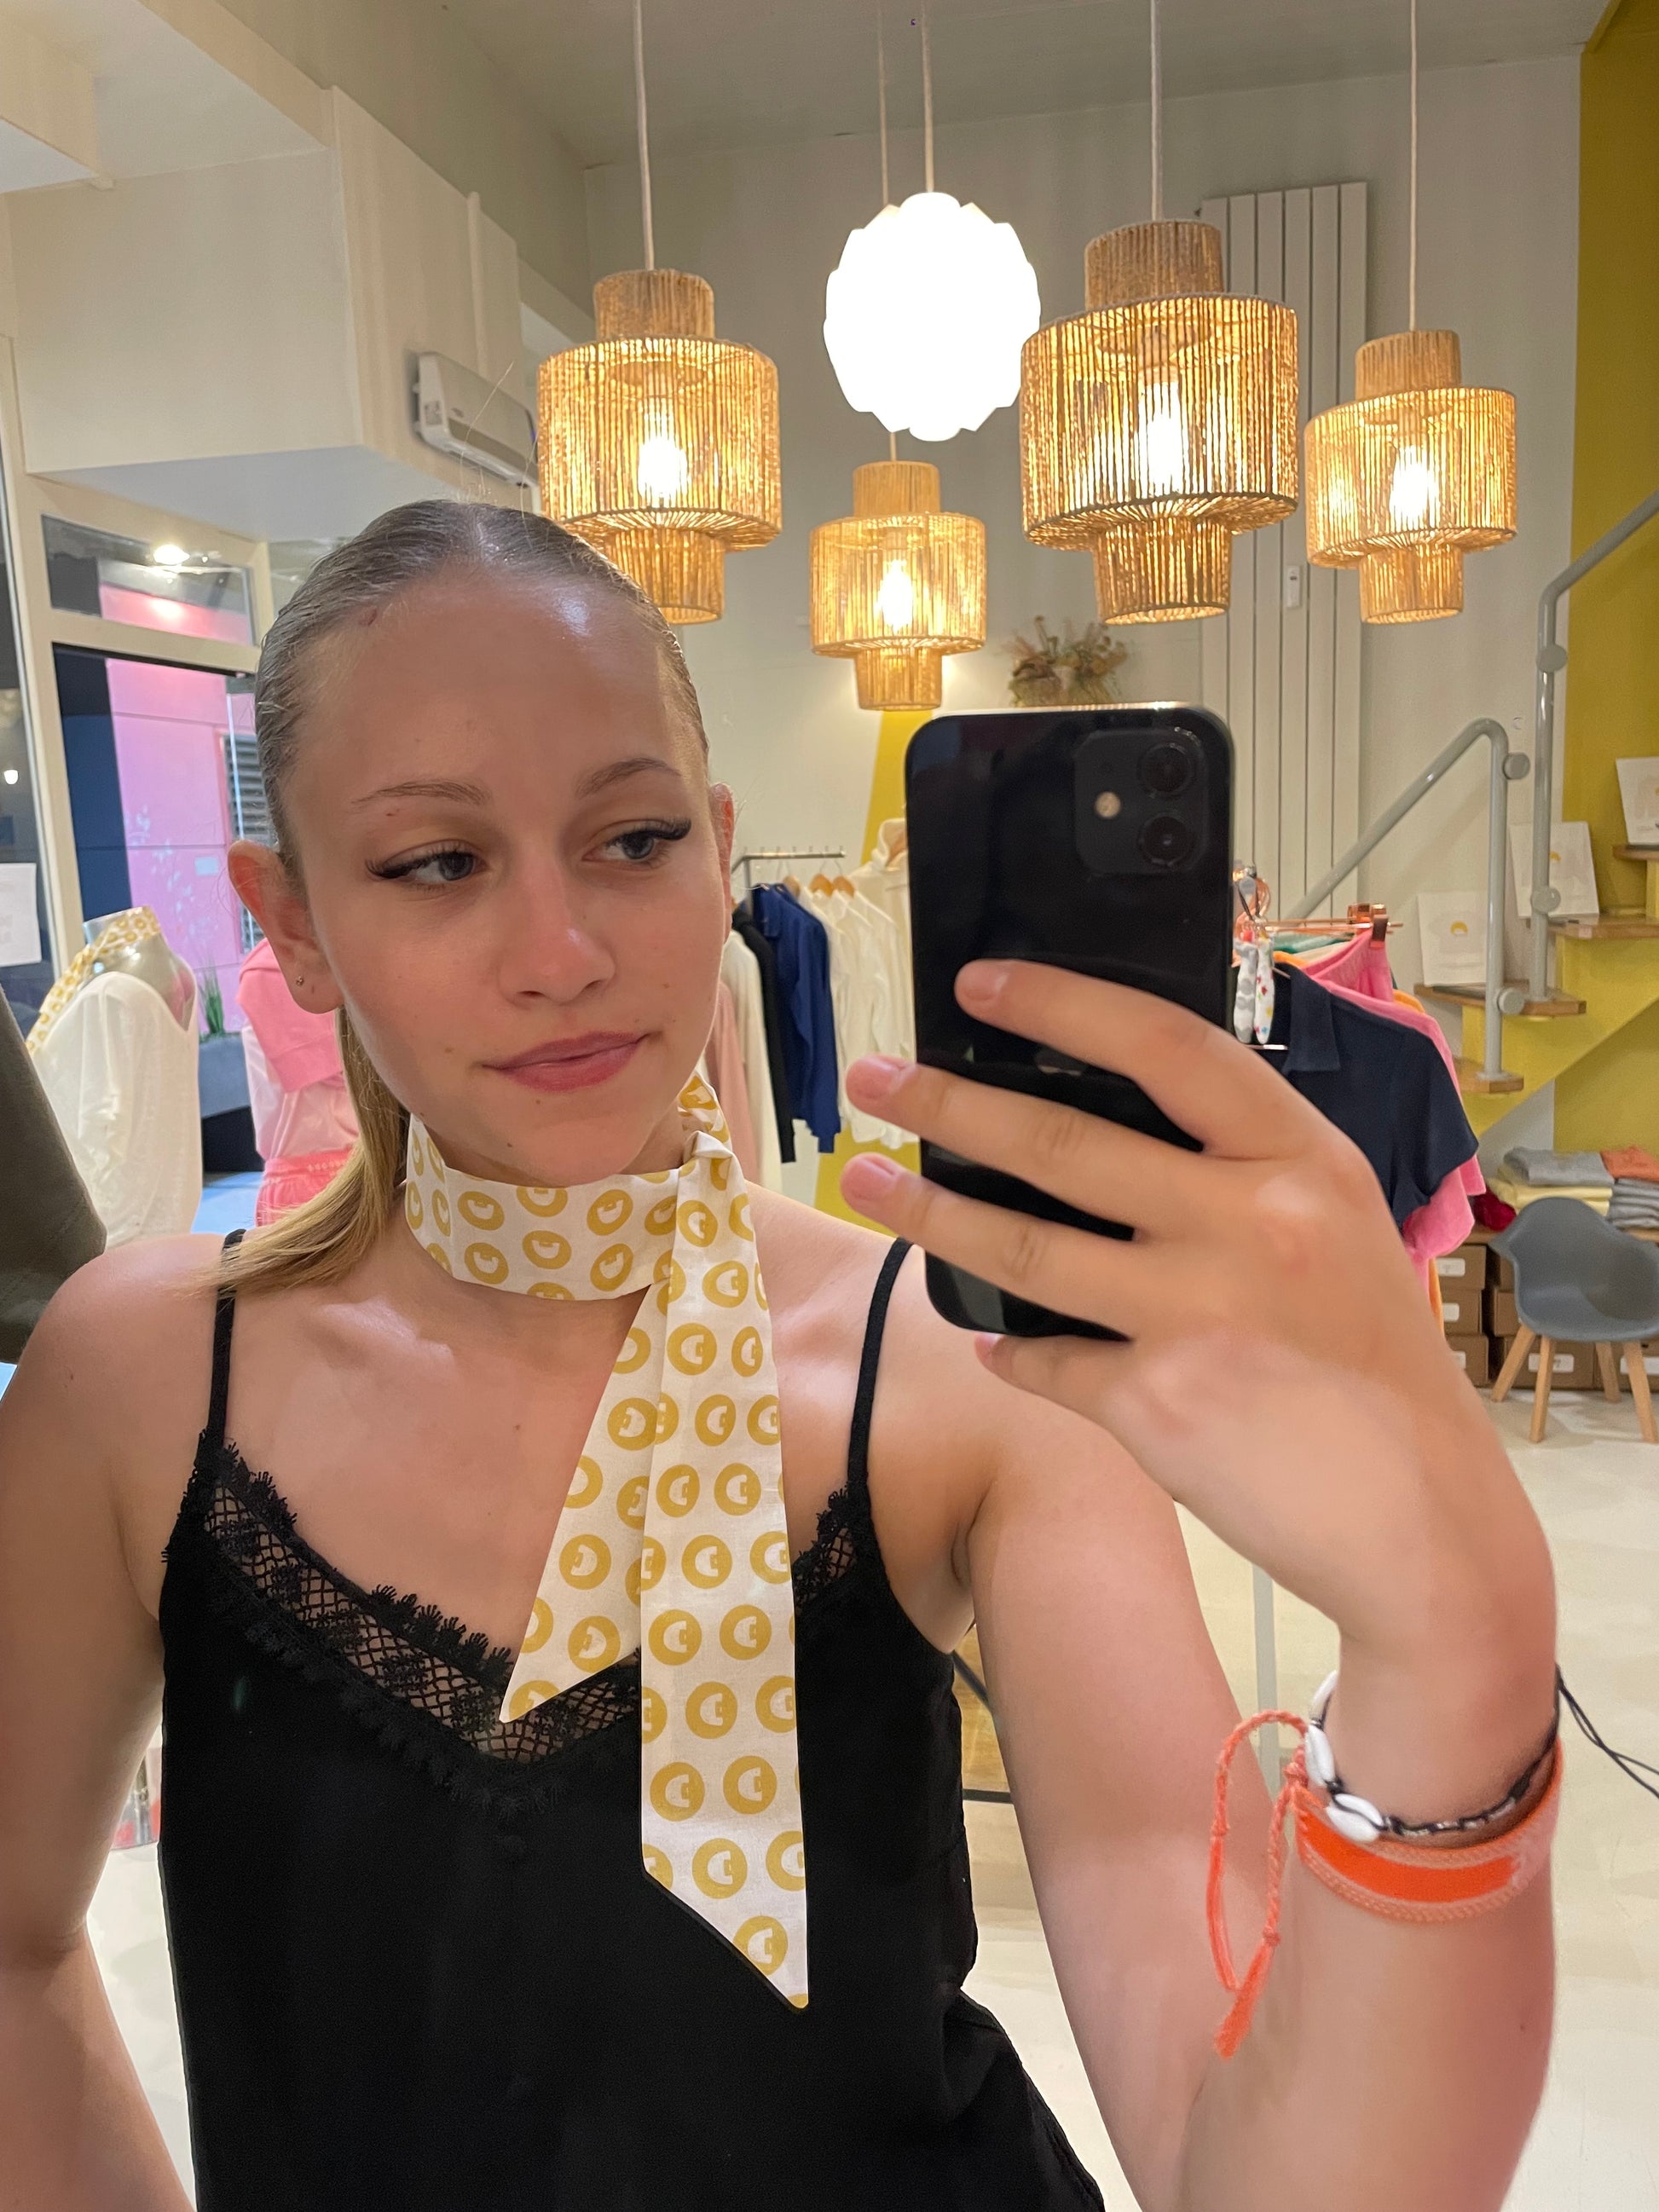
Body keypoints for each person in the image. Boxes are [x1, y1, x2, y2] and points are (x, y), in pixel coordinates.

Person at [0, 502, 1556, 2212]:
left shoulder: (966, 1369)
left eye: (632, 837)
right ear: (291, 922)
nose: (562, 953)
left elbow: (1249, 2166)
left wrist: (1455, 1639)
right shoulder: (141, 1385)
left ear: (718, 848)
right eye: (437, 862)